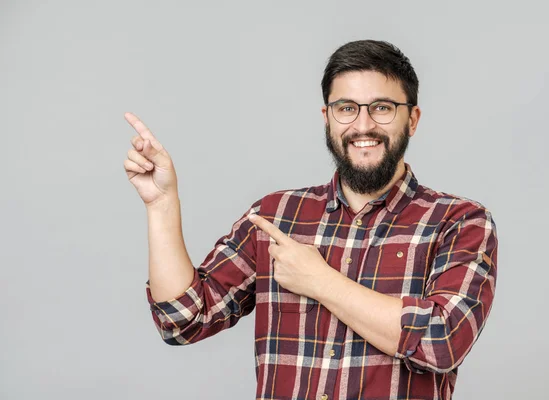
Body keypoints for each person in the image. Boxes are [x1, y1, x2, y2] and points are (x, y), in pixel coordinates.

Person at [123, 39, 498, 400]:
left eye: (382, 108)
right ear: (328, 118)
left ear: (412, 118)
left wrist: (320, 281)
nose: (363, 125)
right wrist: (162, 205)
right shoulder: (276, 215)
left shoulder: (460, 222)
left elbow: (442, 340)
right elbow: (183, 320)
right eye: (346, 108)